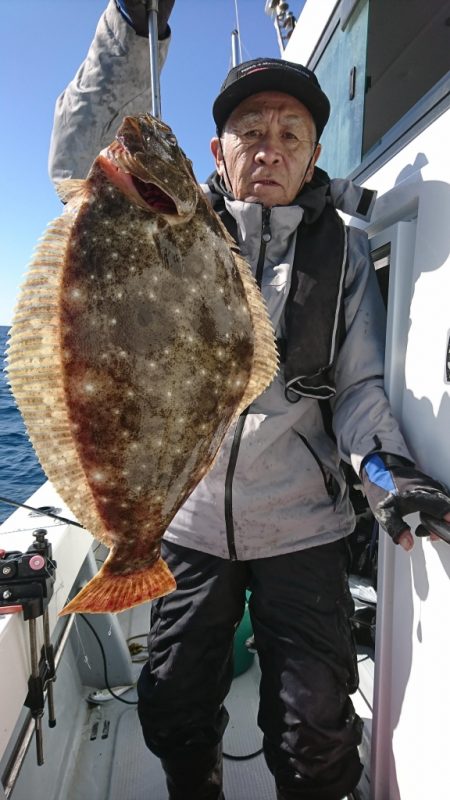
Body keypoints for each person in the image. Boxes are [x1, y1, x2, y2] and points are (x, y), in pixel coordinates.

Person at [49, 3, 450, 799]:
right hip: (189, 517)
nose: (270, 149)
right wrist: (132, 25)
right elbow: (81, 149)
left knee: (315, 731)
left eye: (290, 135)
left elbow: (362, 388)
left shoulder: (339, 254)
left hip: (303, 524)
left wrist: (390, 474)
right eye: (251, 132)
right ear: (217, 152)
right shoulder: (168, 224)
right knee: (170, 706)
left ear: (312, 157)